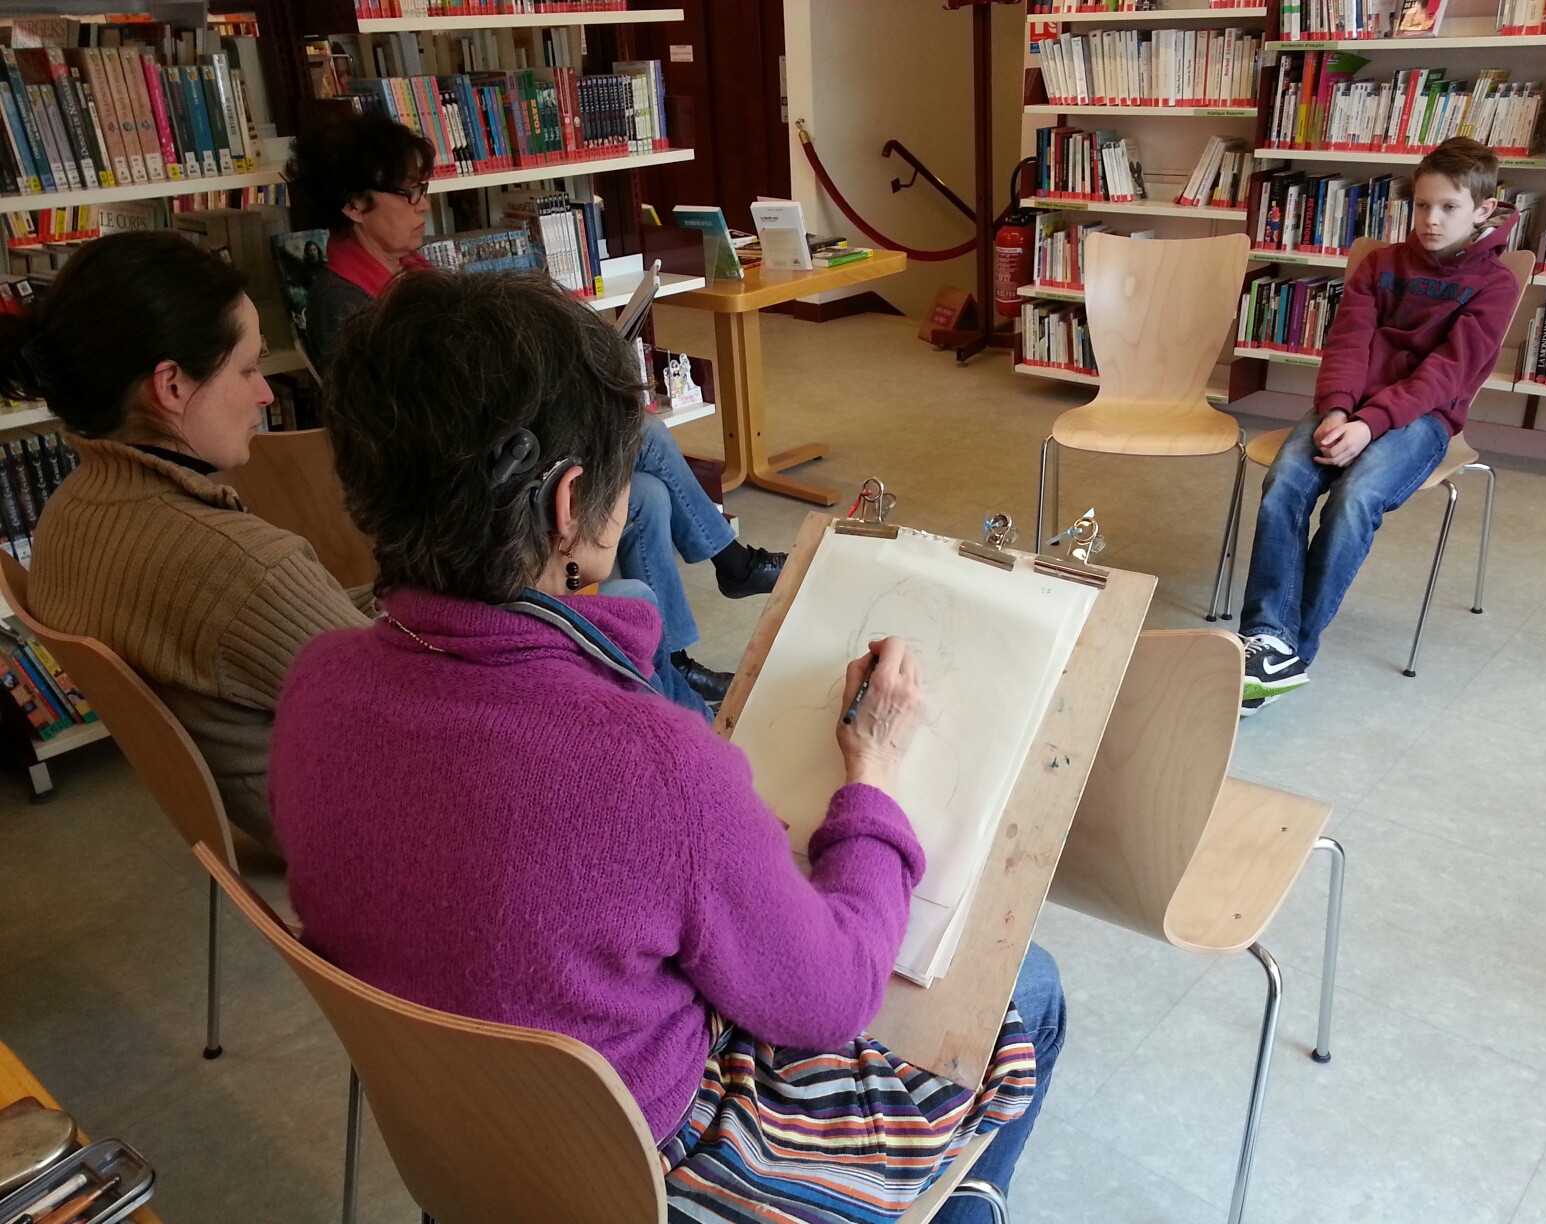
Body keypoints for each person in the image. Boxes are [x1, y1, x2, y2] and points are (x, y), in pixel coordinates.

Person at [269, 269, 1065, 1222]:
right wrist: (876, 771)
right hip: (638, 1169)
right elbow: (832, 999)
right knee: (1033, 987)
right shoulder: (651, 764)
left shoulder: (316, 682)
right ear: (570, 504)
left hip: (464, 1143)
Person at [286, 110, 782, 709]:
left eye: (423, 188)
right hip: (477, 478)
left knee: (648, 495)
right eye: (409, 192)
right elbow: (442, 421)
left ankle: (670, 665)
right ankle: (729, 567)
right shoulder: (346, 307)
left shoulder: (411, 275)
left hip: (504, 443)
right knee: (640, 428)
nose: (423, 205)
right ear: (353, 204)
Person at [0, 231, 375, 848]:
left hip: (255, 818)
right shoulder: (238, 565)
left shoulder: (66, 515)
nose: (265, 392)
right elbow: (417, 711)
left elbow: (296, 635)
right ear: (171, 385)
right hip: (358, 828)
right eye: (247, 368)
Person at [1236, 137, 1522, 715]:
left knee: (1355, 498)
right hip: (1346, 408)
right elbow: (1348, 343)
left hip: (1422, 419)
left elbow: (1446, 375)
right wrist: (1337, 410)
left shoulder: (1494, 285)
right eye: (1423, 205)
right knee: (1285, 483)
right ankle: (1266, 637)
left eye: (1449, 208)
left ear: (1483, 210)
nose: (1431, 220)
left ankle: (1290, 652)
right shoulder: (1380, 265)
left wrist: (1369, 424)